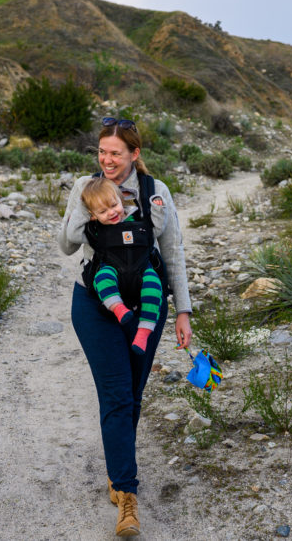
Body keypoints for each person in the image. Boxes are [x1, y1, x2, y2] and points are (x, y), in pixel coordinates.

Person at [58, 116, 193, 537]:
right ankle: (127, 495)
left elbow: (173, 254)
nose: (107, 159)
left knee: (132, 397)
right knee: (116, 395)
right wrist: (82, 209)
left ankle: (119, 470)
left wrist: (184, 311)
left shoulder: (157, 193)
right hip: (96, 305)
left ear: (134, 154)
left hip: (146, 308)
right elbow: (65, 245)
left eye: (115, 153)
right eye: (102, 151)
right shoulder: (88, 186)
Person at [79, 176, 164, 354]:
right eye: (103, 212)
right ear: (93, 216)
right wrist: (80, 213)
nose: (111, 213)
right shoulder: (96, 227)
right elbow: (72, 237)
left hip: (142, 268)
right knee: (102, 278)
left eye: (113, 205)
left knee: (154, 287)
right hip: (112, 267)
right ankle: (118, 308)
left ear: (121, 198)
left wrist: (157, 209)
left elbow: (157, 230)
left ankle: (144, 332)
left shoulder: (137, 216)